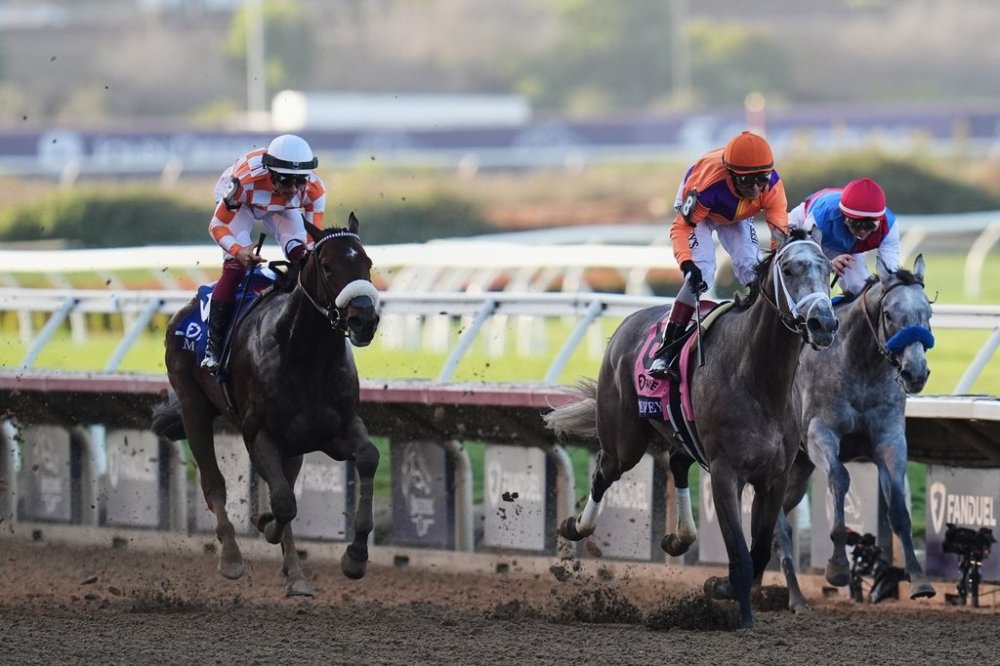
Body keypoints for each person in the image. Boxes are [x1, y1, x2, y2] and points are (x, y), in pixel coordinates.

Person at [648, 130, 789, 379]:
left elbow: (780, 236)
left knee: (753, 268)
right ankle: (666, 350)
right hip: (700, 212)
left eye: (762, 179)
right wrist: (686, 263)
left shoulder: (773, 187)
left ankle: (771, 336)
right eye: (748, 181)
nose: (756, 188)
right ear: (731, 175)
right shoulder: (707, 187)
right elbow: (681, 227)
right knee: (701, 272)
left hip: (737, 214)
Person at [201, 133, 327, 373]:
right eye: (285, 181)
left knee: (304, 257)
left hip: (281, 209)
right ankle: (213, 349)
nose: (293, 189)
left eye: (299, 181)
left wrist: (304, 257)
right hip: (243, 204)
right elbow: (217, 226)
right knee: (236, 268)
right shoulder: (243, 181)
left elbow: (312, 242)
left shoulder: (314, 190)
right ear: (270, 173)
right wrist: (238, 250)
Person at [787, 177, 899, 296]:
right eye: (856, 224)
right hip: (804, 227)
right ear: (843, 216)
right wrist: (828, 264)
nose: (862, 232)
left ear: (880, 220)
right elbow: (806, 256)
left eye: (870, 225)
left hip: (844, 246)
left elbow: (891, 273)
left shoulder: (889, 226)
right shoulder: (822, 216)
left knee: (859, 291)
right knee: (807, 285)